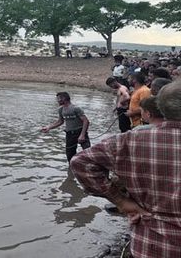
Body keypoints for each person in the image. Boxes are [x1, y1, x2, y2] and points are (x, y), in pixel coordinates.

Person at [70, 81, 181, 258]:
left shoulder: (129, 140)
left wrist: (121, 201)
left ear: (160, 106)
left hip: (151, 246)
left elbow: (81, 163)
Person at [41, 92, 91, 162]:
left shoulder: (76, 108)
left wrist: (82, 135)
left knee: (88, 153)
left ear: (63, 99)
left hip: (80, 132)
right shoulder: (61, 110)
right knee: (70, 155)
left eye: (58, 99)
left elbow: (86, 121)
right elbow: (60, 121)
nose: (57, 101)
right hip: (69, 134)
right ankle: (73, 169)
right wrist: (49, 127)